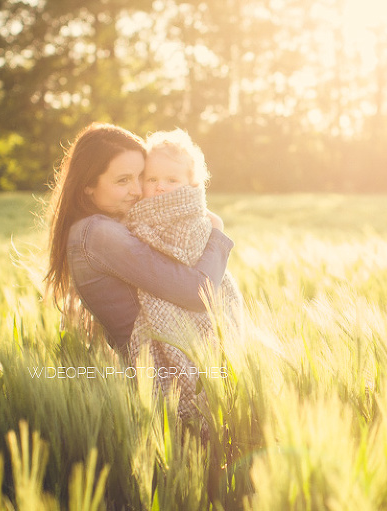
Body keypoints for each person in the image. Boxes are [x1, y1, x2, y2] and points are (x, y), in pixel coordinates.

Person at [44, 123, 234, 360]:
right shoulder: (99, 234)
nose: (137, 190)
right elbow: (198, 293)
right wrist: (216, 232)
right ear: (88, 186)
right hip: (158, 373)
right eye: (123, 181)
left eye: (140, 178)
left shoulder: (115, 225)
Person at [124, 128, 243, 426]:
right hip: (169, 295)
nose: (160, 187)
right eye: (151, 179)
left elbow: (193, 264)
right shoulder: (134, 218)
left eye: (171, 180)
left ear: (192, 184)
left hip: (201, 302)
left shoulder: (197, 222)